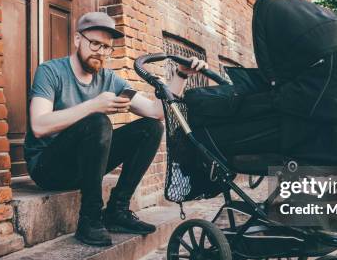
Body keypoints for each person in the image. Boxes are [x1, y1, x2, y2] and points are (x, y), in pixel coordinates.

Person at [24, 12, 207, 246]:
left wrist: (181, 75)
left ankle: (117, 210)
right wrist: (94, 105)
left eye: (107, 47)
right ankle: (89, 219)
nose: (100, 51)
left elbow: (155, 111)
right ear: (78, 40)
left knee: (150, 128)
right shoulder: (50, 71)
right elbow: (39, 125)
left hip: (83, 167)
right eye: (95, 44)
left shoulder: (109, 78)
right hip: (48, 168)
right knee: (98, 121)